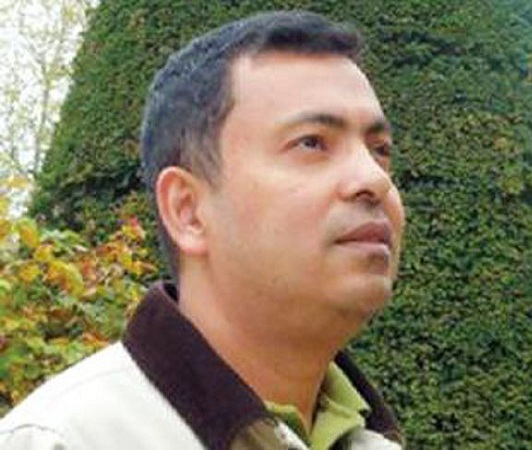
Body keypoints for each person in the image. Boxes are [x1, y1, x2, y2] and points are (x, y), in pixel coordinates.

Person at [0, 10, 406, 450]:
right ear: (187, 210)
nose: (374, 179)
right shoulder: (64, 440)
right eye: (312, 143)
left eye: (379, 150)